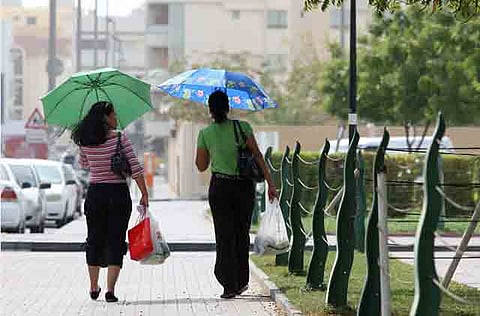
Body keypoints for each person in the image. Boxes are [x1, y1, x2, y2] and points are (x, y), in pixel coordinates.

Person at [195, 90, 278, 299]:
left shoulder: (205, 133)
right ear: (228, 108)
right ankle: (241, 281)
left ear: (210, 110)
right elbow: (258, 156)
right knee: (241, 234)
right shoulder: (243, 127)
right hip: (244, 188)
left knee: (224, 235)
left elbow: (201, 166)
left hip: (220, 187)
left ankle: (228, 285)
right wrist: (270, 183)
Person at [71, 101, 149, 303]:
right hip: (118, 194)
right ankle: (110, 290)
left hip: (95, 194)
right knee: (116, 239)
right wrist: (144, 194)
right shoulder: (120, 138)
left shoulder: (84, 140)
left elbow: (84, 164)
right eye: (114, 114)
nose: (116, 118)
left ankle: (93, 286)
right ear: (105, 117)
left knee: (94, 239)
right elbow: (136, 167)